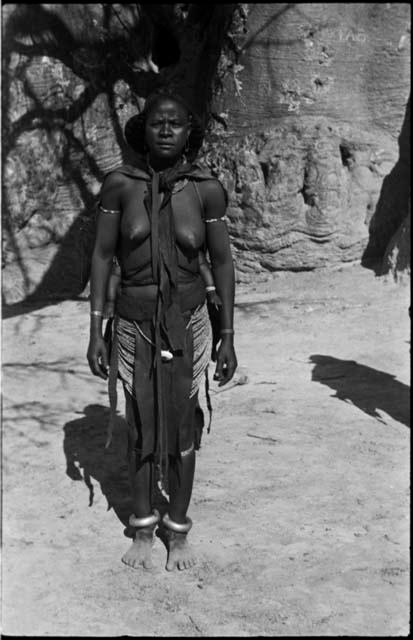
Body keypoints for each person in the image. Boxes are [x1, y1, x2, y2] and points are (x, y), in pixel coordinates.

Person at [87, 87, 237, 572]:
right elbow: (103, 256)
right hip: (132, 322)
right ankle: (143, 526)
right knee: (139, 426)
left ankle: (178, 531)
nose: (167, 129)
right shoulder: (119, 187)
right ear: (143, 131)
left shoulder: (205, 189)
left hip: (188, 321)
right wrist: (96, 331)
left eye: (176, 122)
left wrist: (228, 336)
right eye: (158, 122)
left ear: (190, 132)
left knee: (183, 425)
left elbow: (221, 260)